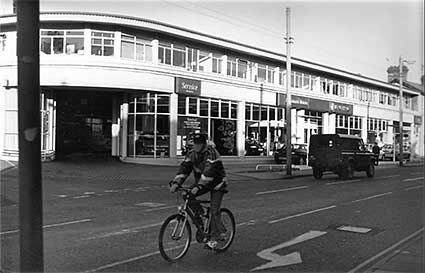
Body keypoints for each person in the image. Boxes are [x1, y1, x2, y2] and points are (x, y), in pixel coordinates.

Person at [169, 131, 228, 250]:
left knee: (214, 209)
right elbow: (184, 169)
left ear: (204, 144)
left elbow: (209, 172)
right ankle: (200, 218)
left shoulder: (212, 154)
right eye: (195, 143)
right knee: (186, 195)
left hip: (217, 183)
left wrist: (198, 186)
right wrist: (176, 183)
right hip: (203, 183)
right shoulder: (192, 154)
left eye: (199, 144)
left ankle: (217, 235)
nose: (196, 146)